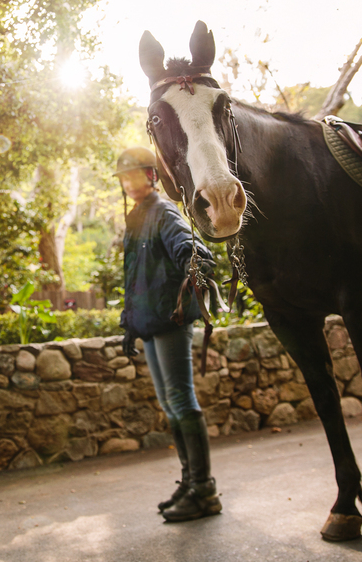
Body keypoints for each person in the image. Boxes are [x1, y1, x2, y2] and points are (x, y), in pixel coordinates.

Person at [115, 146, 222, 523]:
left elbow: (184, 242)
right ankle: (190, 482)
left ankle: (204, 490)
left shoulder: (162, 211)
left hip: (172, 320)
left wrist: (195, 258)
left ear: (152, 176)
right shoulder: (135, 218)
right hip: (150, 323)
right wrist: (130, 322)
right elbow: (134, 279)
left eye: (136, 175)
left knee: (181, 399)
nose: (129, 183)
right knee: (170, 405)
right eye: (124, 178)